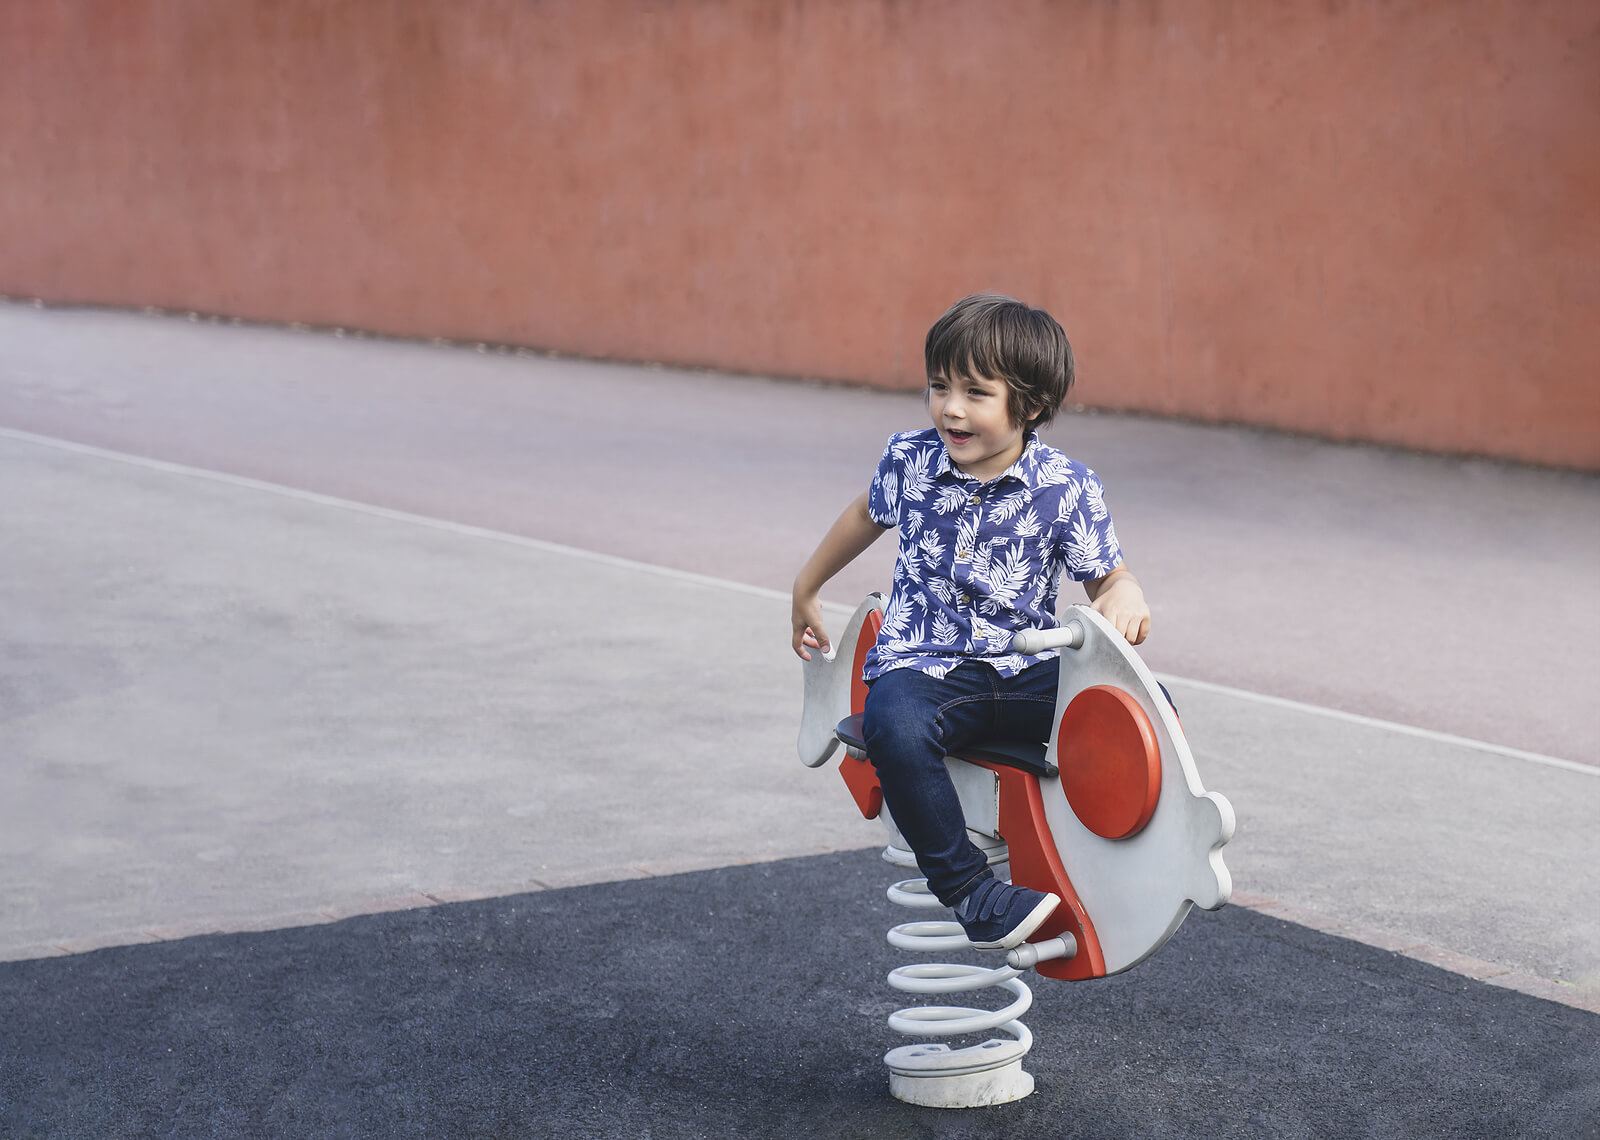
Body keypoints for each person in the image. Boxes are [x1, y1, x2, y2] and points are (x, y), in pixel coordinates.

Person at [790, 293, 1153, 951]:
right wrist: (806, 584)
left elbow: (1110, 576)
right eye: (939, 386)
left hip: (1023, 671)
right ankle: (972, 893)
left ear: (1031, 406)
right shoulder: (911, 458)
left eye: (976, 393)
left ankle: (1119, 871)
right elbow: (864, 515)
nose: (951, 408)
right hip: (924, 668)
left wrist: (1126, 596)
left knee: (1141, 713)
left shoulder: (1067, 486)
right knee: (893, 722)